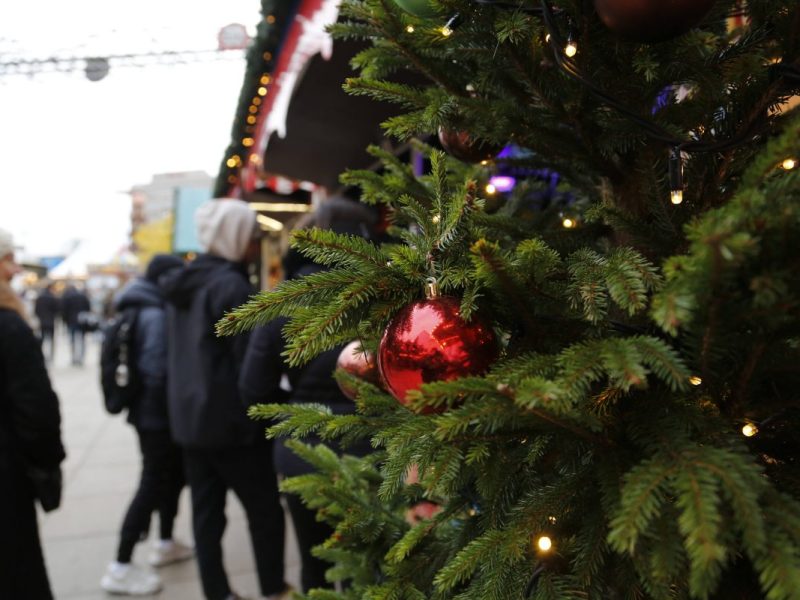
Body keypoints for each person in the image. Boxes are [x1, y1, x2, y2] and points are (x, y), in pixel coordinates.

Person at [239, 198, 377, 593]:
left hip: (302, 454)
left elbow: (253, 391)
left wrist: (298, 415)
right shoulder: (387, 297)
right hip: (377, 450)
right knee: (372, 567)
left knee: (315, 563)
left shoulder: (285, 300)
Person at [161, 199, 290, 600]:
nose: (255, 244)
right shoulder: (231, 287)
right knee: (265, 512)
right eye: (251, 235)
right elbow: (251, 366)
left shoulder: (186, 284)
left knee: (206, 517)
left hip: (191, 422)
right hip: (234, 426)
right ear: (235, 238)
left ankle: (217, 593)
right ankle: (273, 589)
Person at [100, 254, 193, 596]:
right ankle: (120, 566)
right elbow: (157, 371)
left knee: (170, 477)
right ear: (165, 279)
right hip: (157, 416)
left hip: (149, 413)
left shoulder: (140, 304)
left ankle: (166, 543)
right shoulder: (154, 312)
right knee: (154, 481)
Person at [0, 228, 66, 599]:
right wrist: (47, 463)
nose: (13, 271)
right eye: (6, 260)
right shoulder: (9, 326)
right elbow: (37, 410)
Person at [61, 283, 91, 365]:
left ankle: (74, 357)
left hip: (71, 321)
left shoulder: (67, 297)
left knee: (72, 340)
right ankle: (81, 357)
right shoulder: (83, 296)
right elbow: (88, 308)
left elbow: (64, 310)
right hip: (82, 321)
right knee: (82, 340)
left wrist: (65, 321)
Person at [34, 282, 60, 363]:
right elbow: (57, 310)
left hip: (42, 321)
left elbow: (36, 310)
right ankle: (50, 356)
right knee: (51, 340)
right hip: (51, 321)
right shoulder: (53, 297)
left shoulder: (40, 297)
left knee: (42, 339)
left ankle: (42, 355)